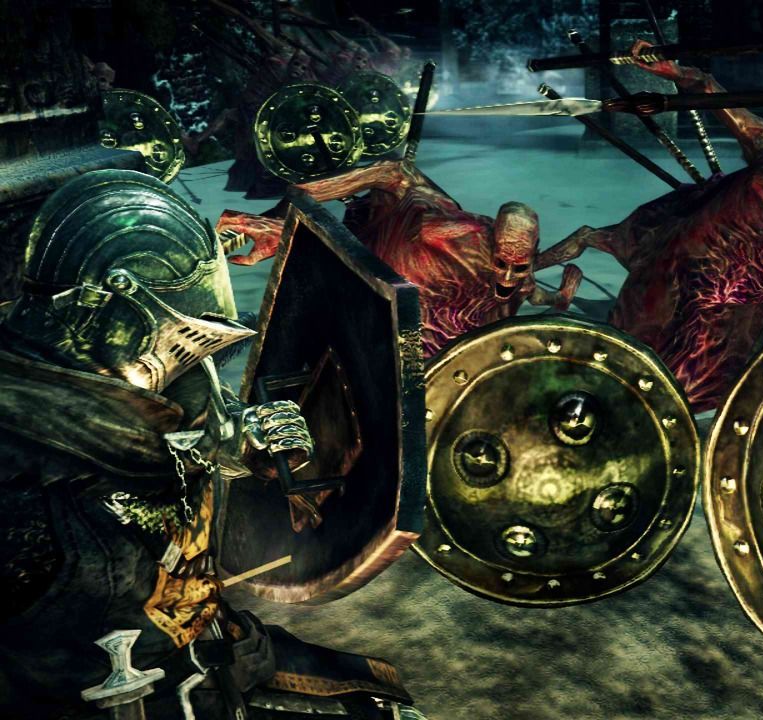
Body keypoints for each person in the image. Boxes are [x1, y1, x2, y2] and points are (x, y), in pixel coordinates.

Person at [0, 170, 418, 718]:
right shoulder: (21, 487)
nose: (196, 356)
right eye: (188, 332)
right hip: (113, 696)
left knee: (381, 694)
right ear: (115, 308)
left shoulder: (131, 376)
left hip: (206, 639)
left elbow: (189, 425)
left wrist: (242, 439)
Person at [535, 40, 763, 412]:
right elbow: (732, 110)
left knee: (689, 382)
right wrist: (677, 73)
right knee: (635, 334)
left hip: (726, 307)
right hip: (682, 251)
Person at [218, 159, 581, 356]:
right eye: (502, 264)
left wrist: (560, 298)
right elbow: (395, 178)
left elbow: (534, 293)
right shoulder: (452, 234)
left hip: (436, 344)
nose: (507, 277)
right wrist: (281, 219)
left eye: (518, 267)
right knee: (396, 176)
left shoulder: (520, 277)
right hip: (387, 277)